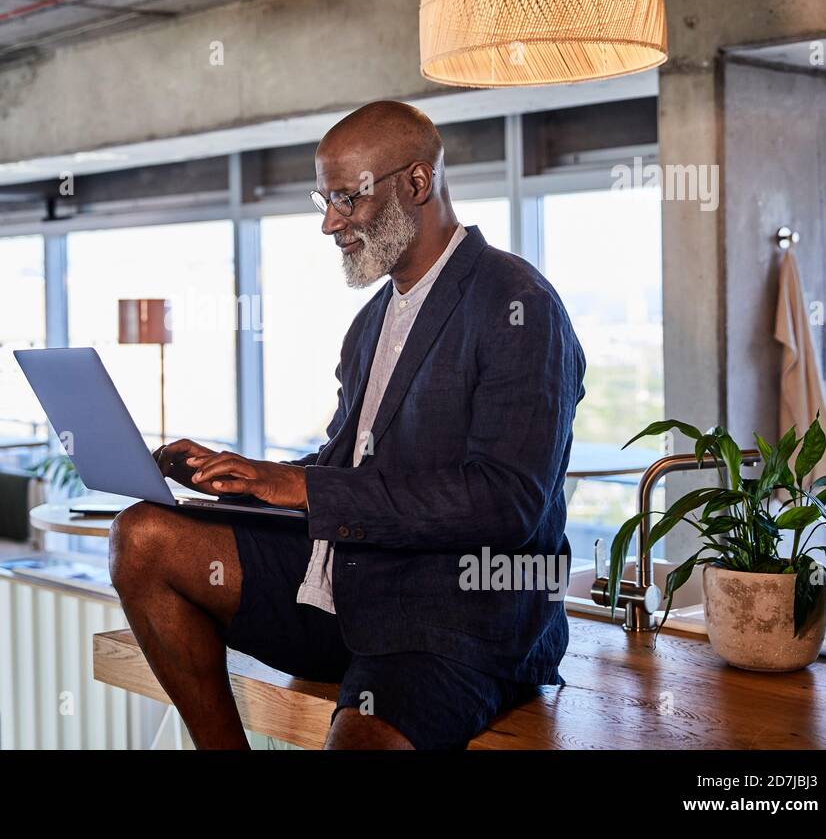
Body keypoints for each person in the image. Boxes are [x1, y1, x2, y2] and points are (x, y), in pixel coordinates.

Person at [108, 100, 586, 749]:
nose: (330, 223)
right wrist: (249, 478)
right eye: (324, 199)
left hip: (455, 621)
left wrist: (307, 489)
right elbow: (351, 467)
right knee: (142, 537)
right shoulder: (372, 322)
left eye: (346, 199)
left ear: (418, 183)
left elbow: (508, 503)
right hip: (346, 590)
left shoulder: (517, 304)